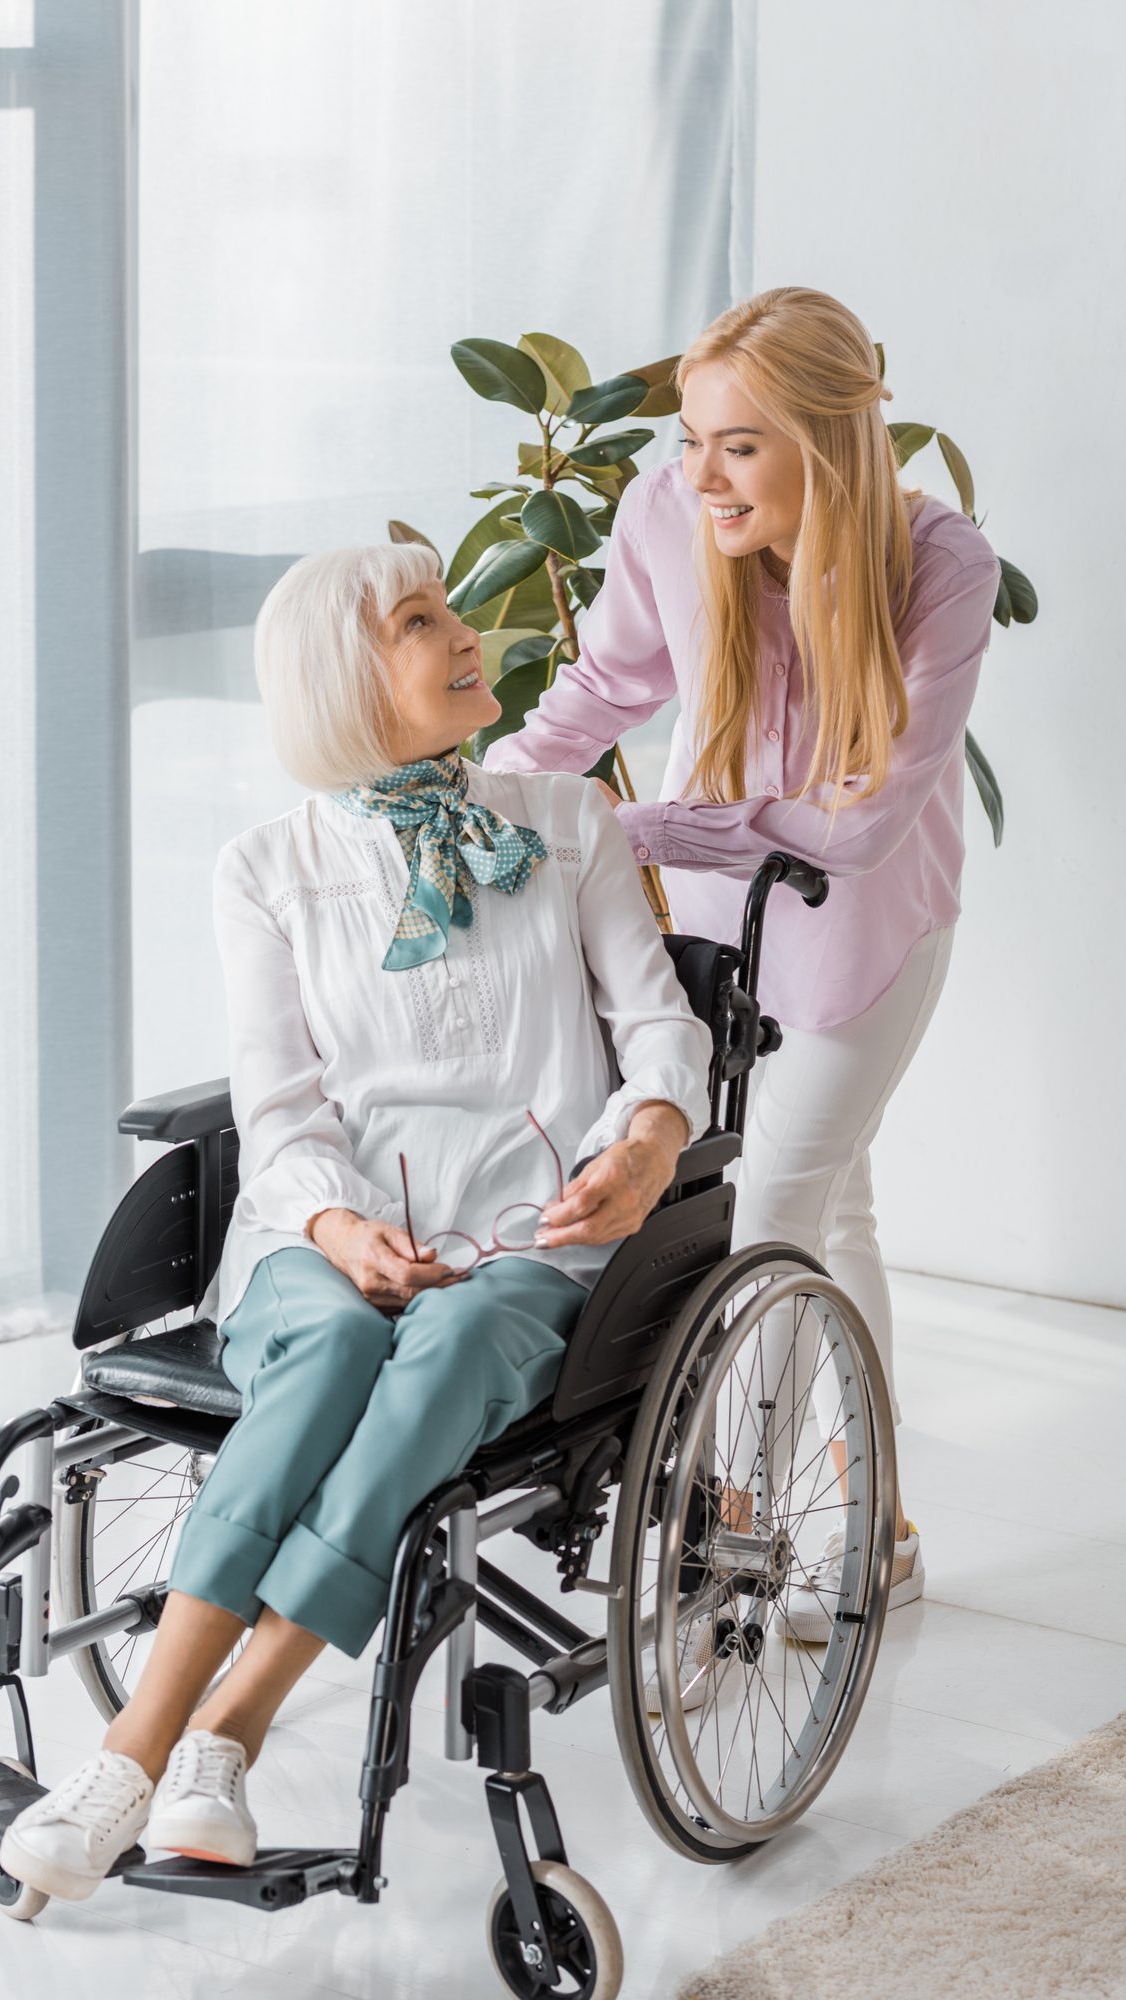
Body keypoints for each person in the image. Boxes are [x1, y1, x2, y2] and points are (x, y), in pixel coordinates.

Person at [0, 542, 713, 1904]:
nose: (463, 633)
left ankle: (215, 1732)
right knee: (328, 1355)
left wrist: (645, 1147)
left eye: (449, 608)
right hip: (319, 1232)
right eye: (419, 620)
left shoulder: (569, 820)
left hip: (526, 1239)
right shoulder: (267, 868)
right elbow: (277, 1105)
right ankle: (142, 1753)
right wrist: (336, 1230)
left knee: (444, 1355)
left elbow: (658, 1024)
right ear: (343, 672)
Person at [485, 285, 1003, 1644]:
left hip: (869, 922)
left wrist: (643, 823)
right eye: (691, 438)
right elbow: (604, 687)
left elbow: (867, 821)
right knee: (836, 1219)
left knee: (775, 1206)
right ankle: (880, 1524)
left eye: (739, 446)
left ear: (827, 445)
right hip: (717, 915)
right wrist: (488, 799)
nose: (697, 474)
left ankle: (748, 1530)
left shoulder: (941, 568)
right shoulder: (667, 516)